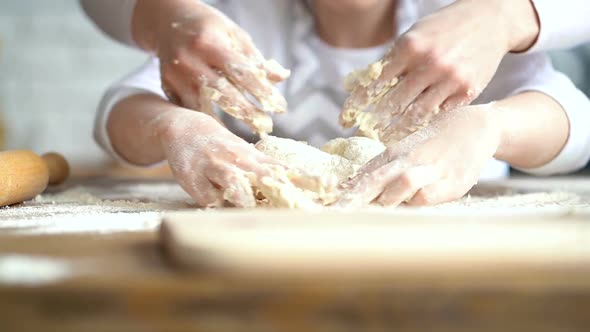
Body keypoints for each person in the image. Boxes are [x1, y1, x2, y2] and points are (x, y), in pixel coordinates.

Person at [81, 0, 590, 207]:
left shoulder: (458, 21)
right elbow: (120, 109)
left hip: (447, 244)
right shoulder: (240, 16)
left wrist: (490, 126)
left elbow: (575, 123)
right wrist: (177, 126)